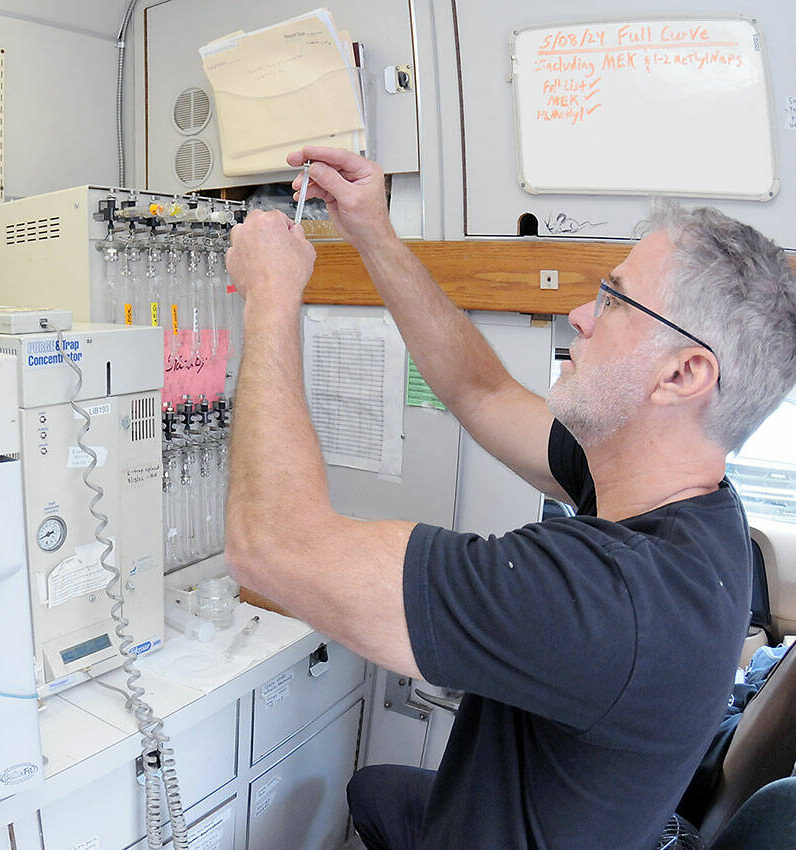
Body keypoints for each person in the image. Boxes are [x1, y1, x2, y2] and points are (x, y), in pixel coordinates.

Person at [223, 146, 796, 850]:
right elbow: (481, 391)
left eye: (614, 301)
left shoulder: (610, 599)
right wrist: (373, 231)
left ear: (683, 374)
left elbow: (270, 546)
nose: (580, 315)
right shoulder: (688, 504)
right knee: (378, 790)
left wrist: (270, 298)